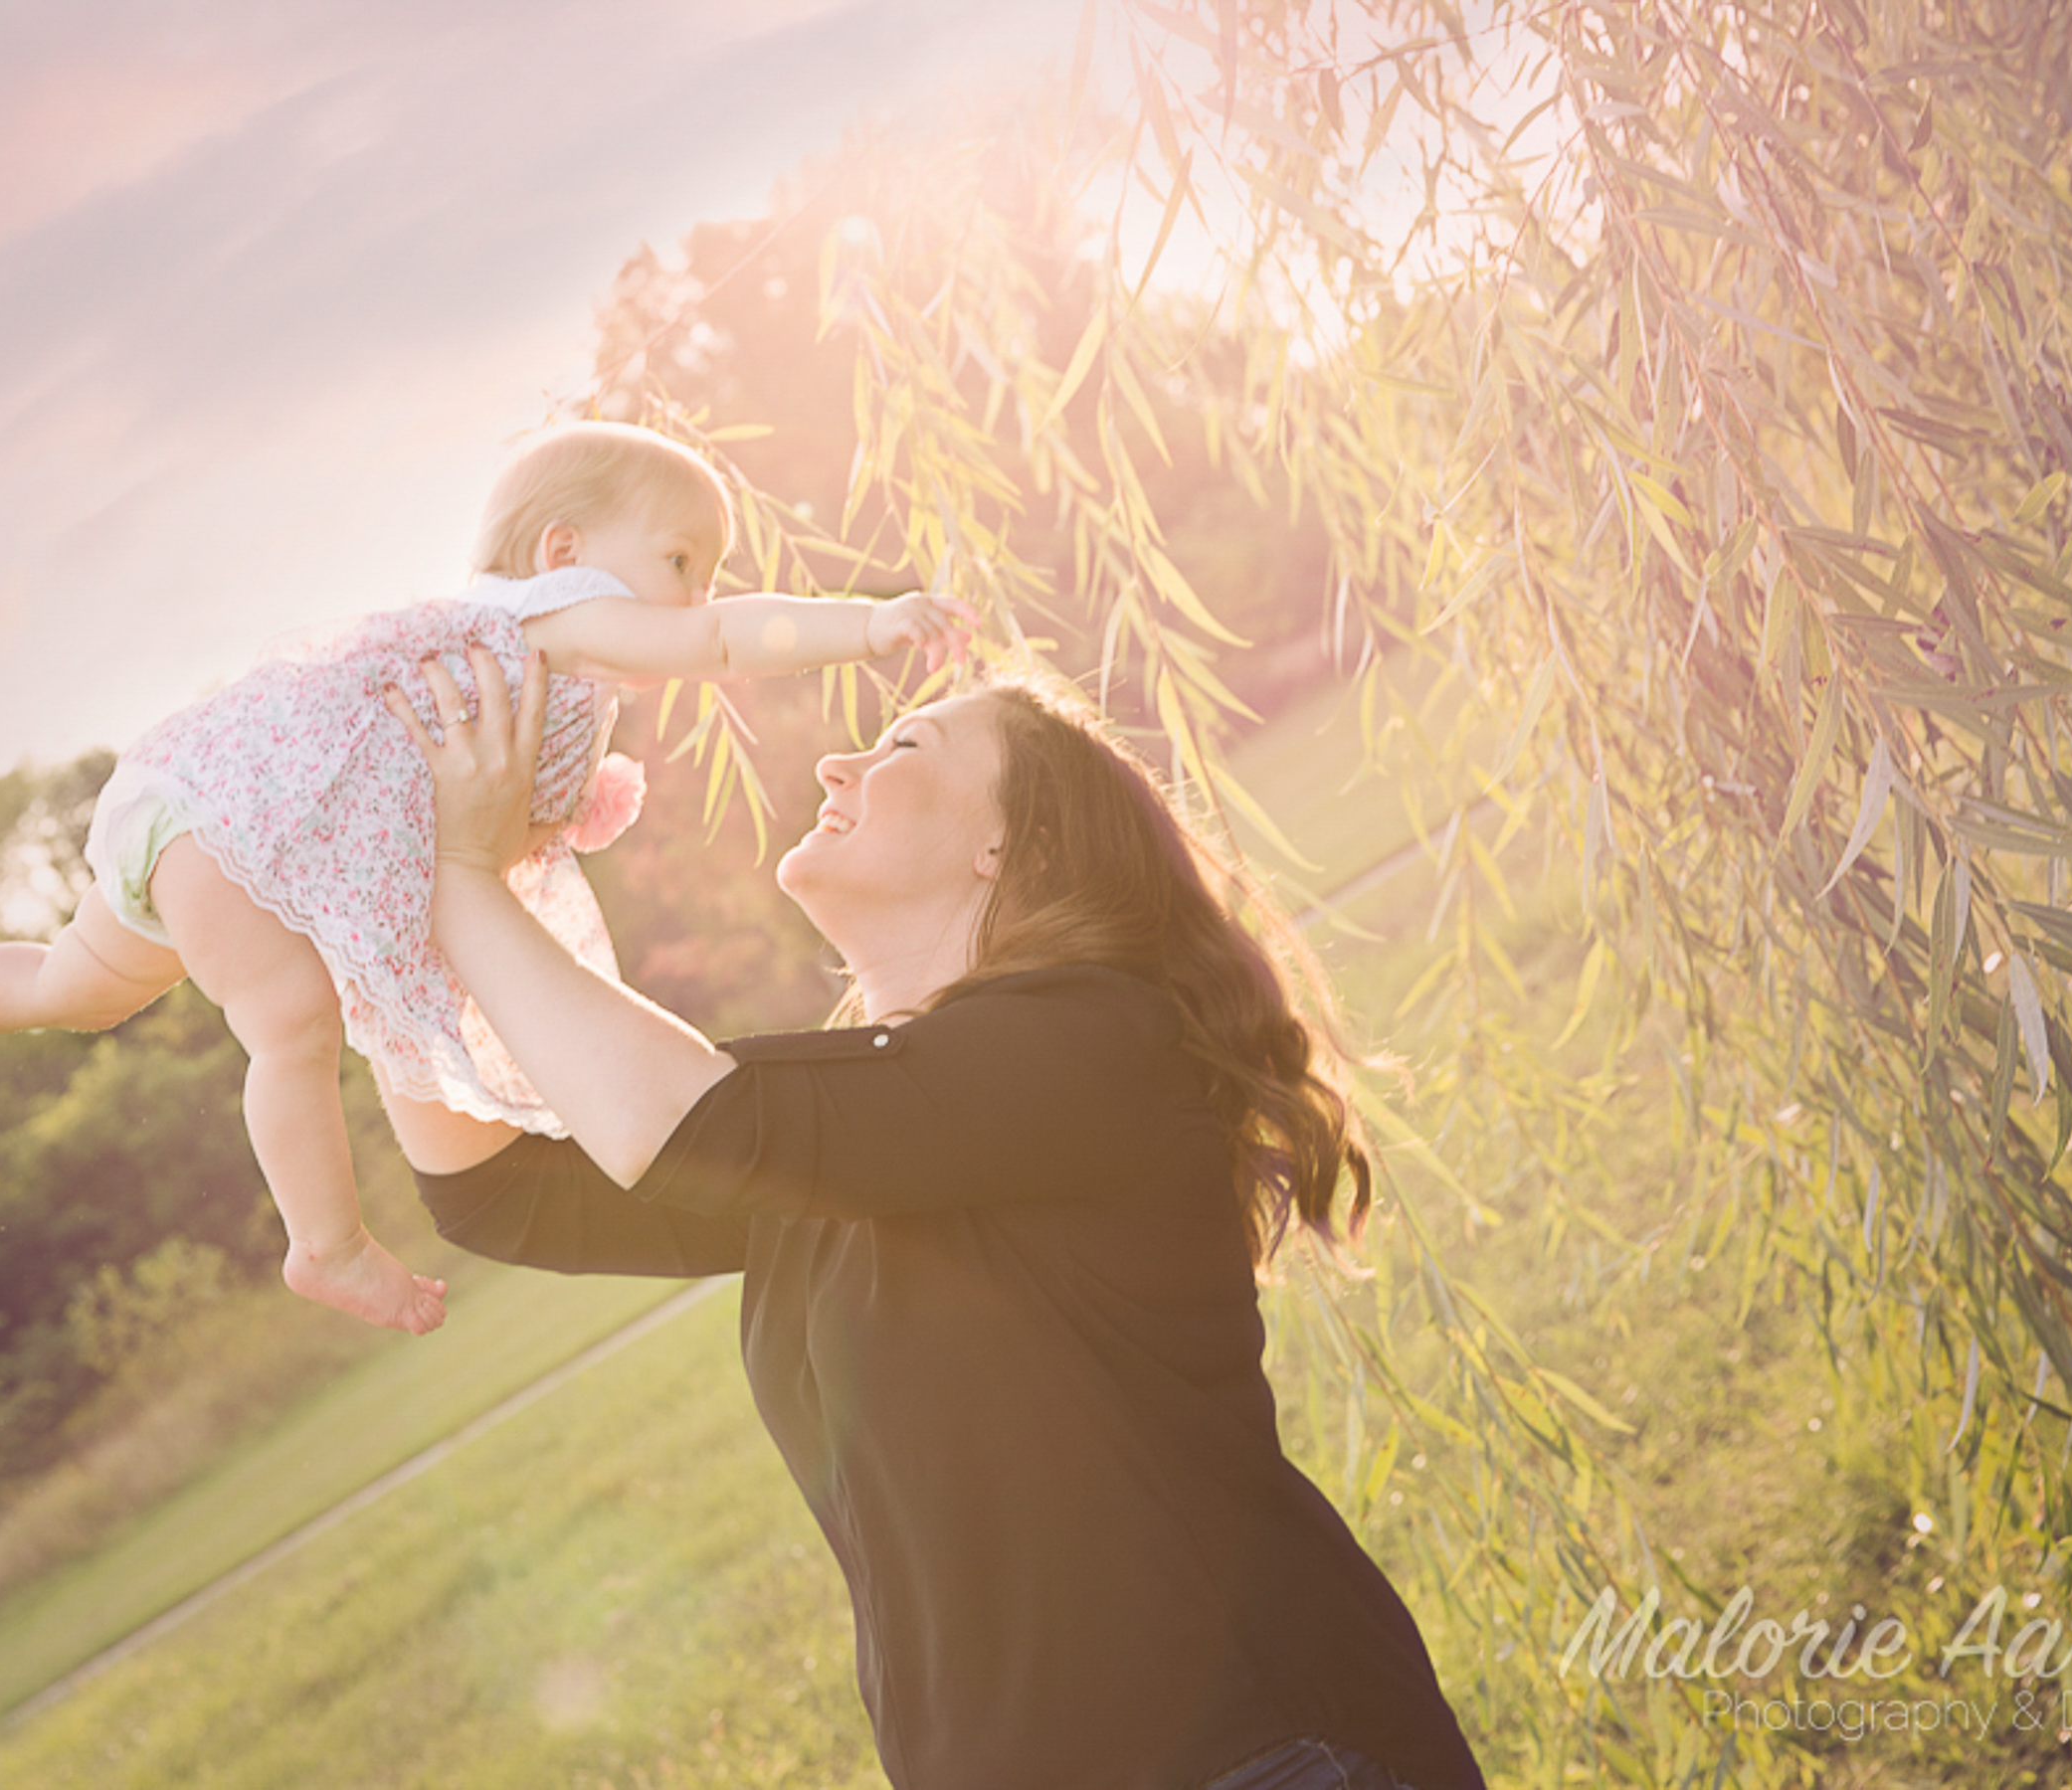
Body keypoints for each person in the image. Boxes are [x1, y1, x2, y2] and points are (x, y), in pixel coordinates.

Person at [384, 645, 1488, 1789]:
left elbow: (669, 1119)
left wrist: (461, 872)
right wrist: (388, 925)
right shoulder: (860, 1133)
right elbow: (497, 1188)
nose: (836, 762)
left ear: (1011, 845)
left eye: (904, 743)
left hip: (1261, 1757)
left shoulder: (1095, 1042)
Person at [0, 421, 963, 1333]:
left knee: (72, 983)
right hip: (253, 828)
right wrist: (868, 627)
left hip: (204, 810)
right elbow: (718, 645)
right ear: (564, 553)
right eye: (679, 562)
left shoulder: (533, 644)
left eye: (708, 573)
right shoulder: (559, 620)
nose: (697, 596)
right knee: (289, 1027)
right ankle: (326, 1243)